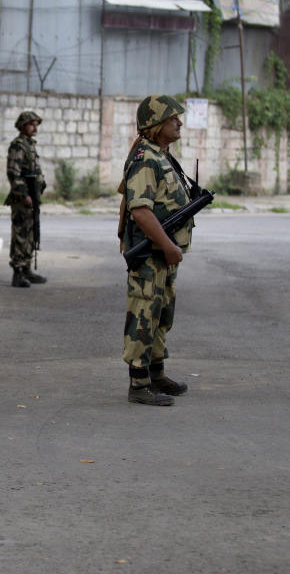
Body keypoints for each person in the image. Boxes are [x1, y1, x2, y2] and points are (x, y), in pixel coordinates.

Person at [118, 95, 193, 406]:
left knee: (161, 314)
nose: (179, 122)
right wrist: (167, 245)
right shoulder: (145, 159)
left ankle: (157, 373)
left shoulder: (161, 154)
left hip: (164, 255)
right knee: (144, 314)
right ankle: (139, 384)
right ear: (156, 124)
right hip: (151, 254)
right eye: (173, 117)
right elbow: (141, 212)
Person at [4, 111, 47, 288]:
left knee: (31, 232)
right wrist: (24, 195)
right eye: (31, 124)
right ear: (23, 126)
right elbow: (13, 173)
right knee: (20, 234)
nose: (35, 127)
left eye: (36, 124)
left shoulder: (30, 145)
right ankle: (18, 271)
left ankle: (27, 267)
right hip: (23, 198)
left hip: (33, 197)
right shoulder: (18, 145)